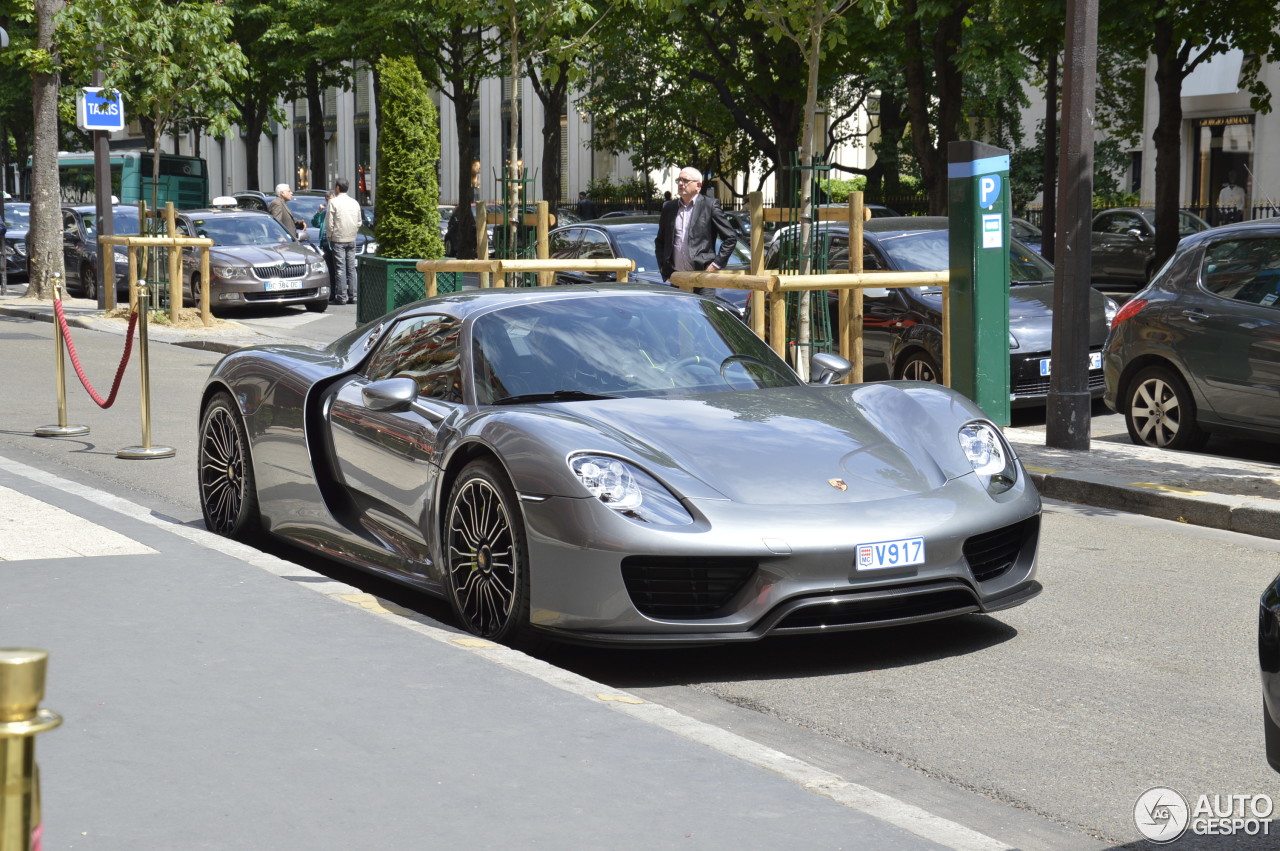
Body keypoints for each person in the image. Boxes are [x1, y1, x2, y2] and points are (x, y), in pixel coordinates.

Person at [655, 167, 737, 298]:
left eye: (685, 180)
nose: (681, 183)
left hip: (703, 278)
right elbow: (660, 241)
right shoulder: (669, 207)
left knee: (703, 317)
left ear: (698, 185)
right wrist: (662, 266)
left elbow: (731, 238)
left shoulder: (710, 206)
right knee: (678, 318)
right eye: (679, 180)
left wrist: (716, 264)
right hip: (677, 277)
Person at [326, 177, 363, 305]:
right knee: (351, 268)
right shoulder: (354, 202)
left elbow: (329, 223)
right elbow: (359, 221)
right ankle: (353, 296)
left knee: (340, 268)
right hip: (351, 238)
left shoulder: (334, 202)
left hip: (338, 238)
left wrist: (330, 236)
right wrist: (353, 232)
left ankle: (341, 296)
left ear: (337, 187)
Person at [310, 193, 336, 297]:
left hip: (334, 242)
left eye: (330, 199)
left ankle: (338, 291)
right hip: (325, 243)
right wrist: (319, 211)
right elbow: (315, 223)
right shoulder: (325, 212)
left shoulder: (336, 210)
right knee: (330, 268)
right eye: (327, 199)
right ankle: (332, 292)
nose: (328, 201)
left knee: (337, 268)